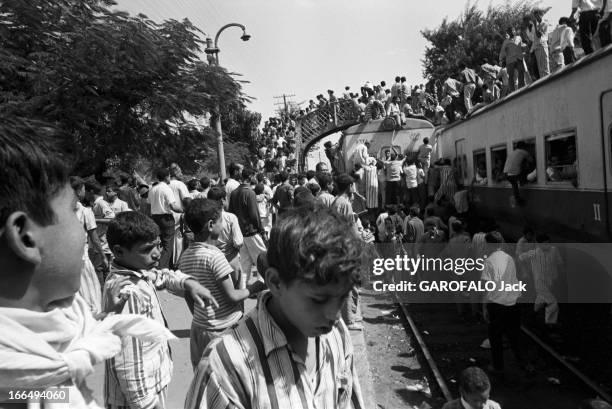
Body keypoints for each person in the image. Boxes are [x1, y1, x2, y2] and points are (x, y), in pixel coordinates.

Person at [0, 125, 174, 408]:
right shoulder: (16, 390)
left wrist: (107, 314)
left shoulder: (47, 347)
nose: (84, 232)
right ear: (25, 236)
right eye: (72, 211)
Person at [184, 206, 365, 409]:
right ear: (276, 282)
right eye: (318, 300)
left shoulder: (337, 334)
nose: (334, 314)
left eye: (342, 298)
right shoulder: (225, 365)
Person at [103, 211, 218, 409]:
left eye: (157, 245)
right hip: (137, 399)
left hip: (149, 386)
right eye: (148, 249)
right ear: (119, 251)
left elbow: (161, 276)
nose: (157, 253)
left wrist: (188, 282)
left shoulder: (138, 272)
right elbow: (127, 361)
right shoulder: (126, 293)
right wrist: (148, 404)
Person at [179, 199, 265, 368]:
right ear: (212, 225)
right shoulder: (215, 257)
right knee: (230, 376)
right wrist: (256, 286)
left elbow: (189, 295)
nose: (224, 223)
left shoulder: (186, 255)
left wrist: (202, 316)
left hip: (200, 328)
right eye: (221, 220)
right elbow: (232, 296)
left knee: (208, 376)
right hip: (223, 329)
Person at [481, 231, 526, 374]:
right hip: (513, 303)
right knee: (515, 337)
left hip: (497, 305)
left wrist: (484, 307)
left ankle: (498, 367)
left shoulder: (489, 261)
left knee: (495, 338)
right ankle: (524, 365)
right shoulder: (509, 258)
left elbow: (487, 287)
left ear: (488, 245)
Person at [229, 169, 267, 289]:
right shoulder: (249, 193)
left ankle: (242, 288)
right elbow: (254, 215)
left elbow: (231, 213)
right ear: (250, 176)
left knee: (245, 263)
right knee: (263, 259)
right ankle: (264, 287)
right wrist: (262, 231)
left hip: (240, 233)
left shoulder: (234, 193)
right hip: (251, 232)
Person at [518, 233, 562, 326]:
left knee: (540, 300)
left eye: (548, 243)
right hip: (540, 283)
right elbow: (520, 258)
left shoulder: (554, 250)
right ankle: (550, 324)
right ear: (539, 244)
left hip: (551, 281)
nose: (547, 245)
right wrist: (526, 271)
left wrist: (560, 273)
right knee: (552, 303)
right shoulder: (534, 253)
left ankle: (532, 316)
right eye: (544, 243)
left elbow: (559, 262)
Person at [207, 186, 243, 284]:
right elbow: (238, 242)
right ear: (223, 200)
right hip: (231, 261)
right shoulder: (230, 218)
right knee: (236, 293)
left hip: (212, 263)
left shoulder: (206, 218)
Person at [149, 168, 183, 269]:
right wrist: (184, 210)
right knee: (168, 246)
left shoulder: (153, 189)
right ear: (166, 177)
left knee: (159, 245)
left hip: (154, 218)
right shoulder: (166, 188)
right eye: (169, 176)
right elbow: (173, 206)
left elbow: (148, 204)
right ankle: (161, 268)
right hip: (166, 219)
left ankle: (162, 267)